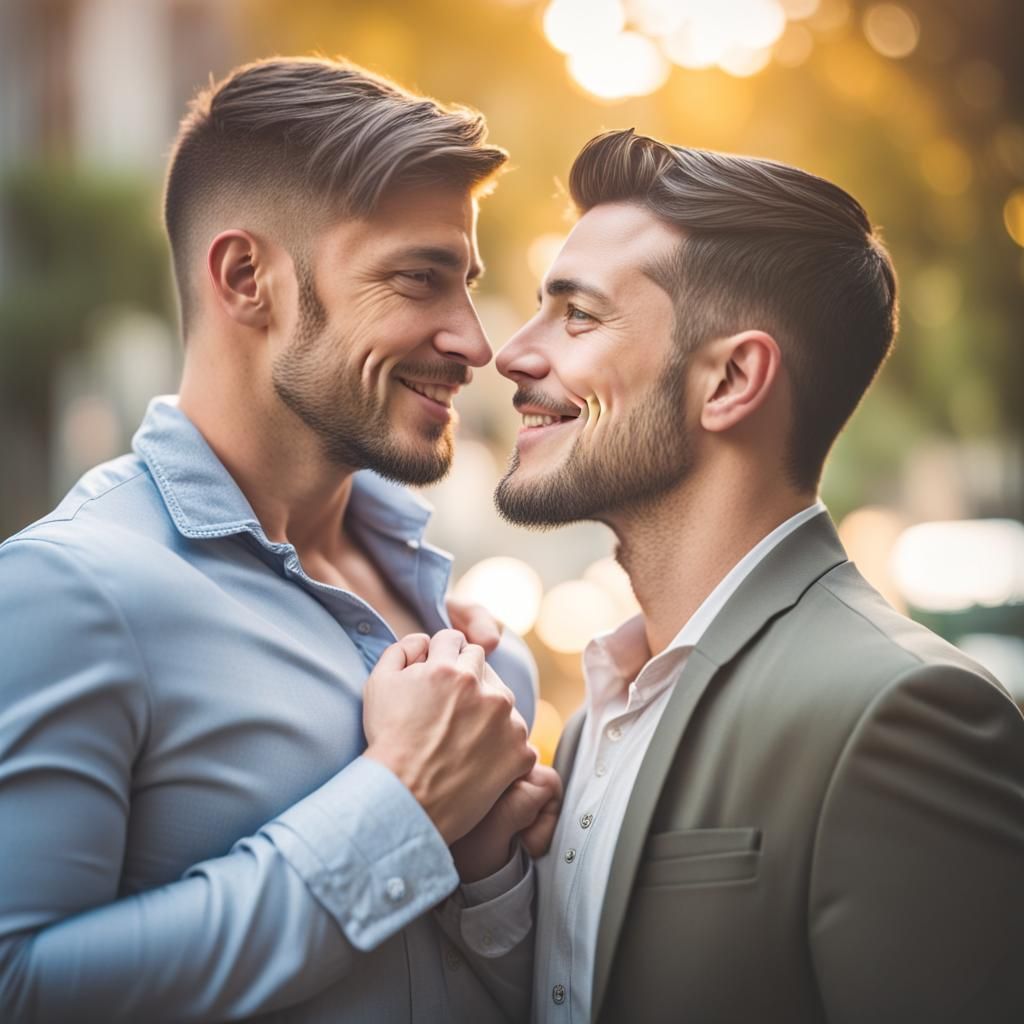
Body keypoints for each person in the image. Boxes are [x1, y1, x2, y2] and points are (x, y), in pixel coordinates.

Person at [0, 57, 560, 1023]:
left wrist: (481, 881)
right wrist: (404, 807)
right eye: (418, 279)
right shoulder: (69, 590)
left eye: (462, 283)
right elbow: (20, 987)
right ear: (246, 276)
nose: (476, 342)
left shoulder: (459, 633)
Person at [494, 129, 1024, 1023]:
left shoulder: (906, 711)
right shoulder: (593, 723)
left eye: (578, 315)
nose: (511, 352)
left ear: (732, 378)